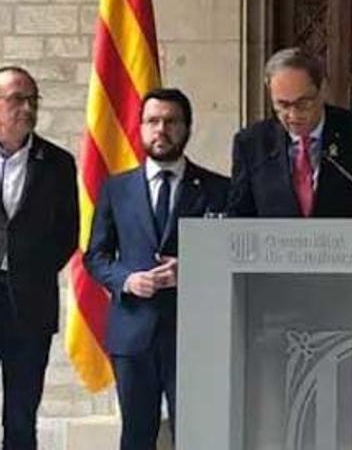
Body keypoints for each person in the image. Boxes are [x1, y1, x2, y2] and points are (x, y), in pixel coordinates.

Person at [84, 88, 229, 449]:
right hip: (133, 332)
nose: (160, 130)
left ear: (187, 128)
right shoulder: (116, 189)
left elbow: (237, 255)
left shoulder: (219, 189)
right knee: (136, 436)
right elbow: (96, 256)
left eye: (171, 122)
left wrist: (196, 269)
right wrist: (128, 280)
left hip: (195, 335)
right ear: (140, 127)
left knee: (198, 437)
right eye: (152, 121)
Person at [0, 66, 79, 449]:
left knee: (22, 419)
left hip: (29, 305)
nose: (27, 108)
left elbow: (67, 233)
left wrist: (31, 269)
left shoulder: (58, 163)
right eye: (16, 99)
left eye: (33, 100)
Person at [227, 47, 352, 222]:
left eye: (303, 103)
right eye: (282, 105)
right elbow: (238, 219)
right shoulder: (251, 144)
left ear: (322, 90)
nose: (293, 115)